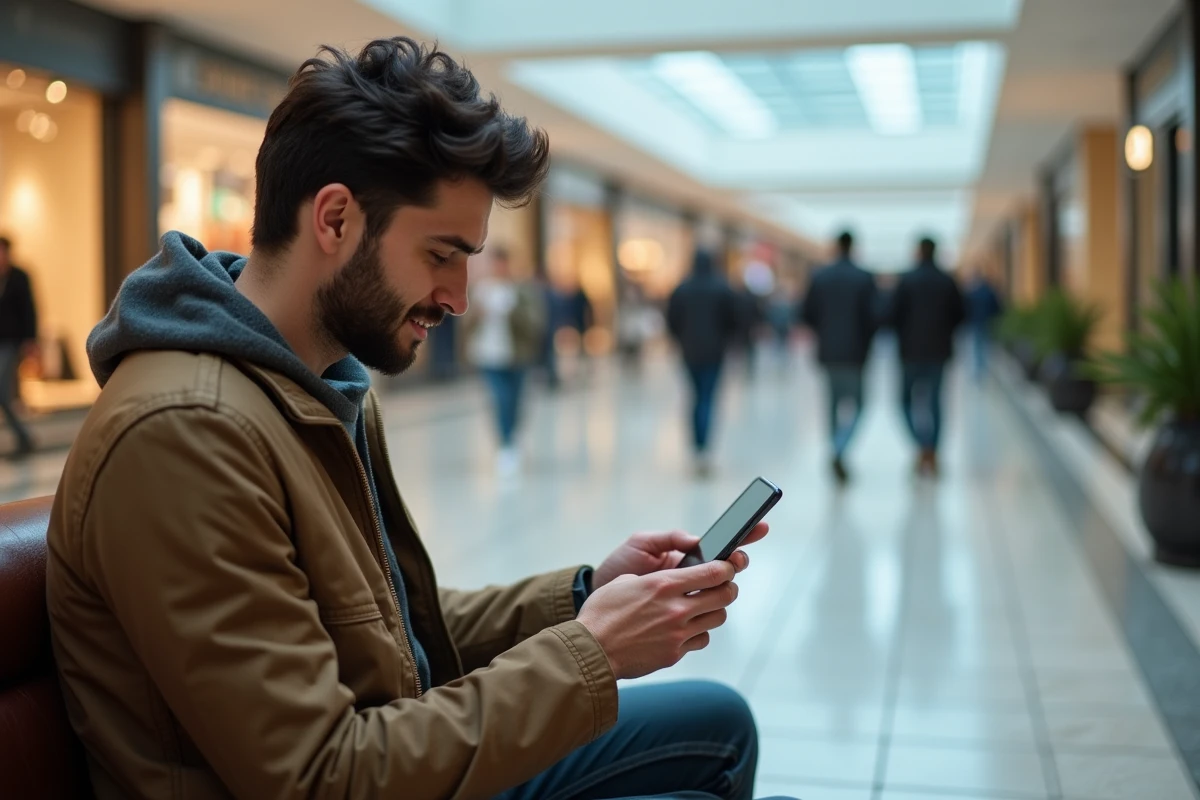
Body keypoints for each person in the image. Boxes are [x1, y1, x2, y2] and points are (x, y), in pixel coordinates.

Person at [45, 38, 793, 800]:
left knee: (718, 722)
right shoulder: (187, 433)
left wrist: (584, 597)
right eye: (441, 255)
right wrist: (592, 653)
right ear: (336, 219)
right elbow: (321, 779)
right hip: (360, 774)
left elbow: (395, 631)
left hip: (394, 749)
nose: (460, 298)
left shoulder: (312, 383)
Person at [800, 231, 878, 484]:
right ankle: (840, 447)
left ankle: (835, 446)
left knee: (832, 404)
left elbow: (807, 313)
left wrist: (824, 331)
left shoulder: (821, 277)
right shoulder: (864, 277)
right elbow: (875, 316)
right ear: (853, 247)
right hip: (856, 353)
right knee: (859, 404)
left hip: (829, 352)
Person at [465, 248, 546, 475]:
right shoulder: (480, 290)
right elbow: (466, 325)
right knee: (500, 398)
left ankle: (513, 435)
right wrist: (477, 315)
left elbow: (535, 322)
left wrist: (512, 312)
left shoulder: (521, 290)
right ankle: (506, 443)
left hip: (517, 355)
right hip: (488, 355)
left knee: (516, 400)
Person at [892, 236, 966, 477]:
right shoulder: (947, 280)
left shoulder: (906, 280)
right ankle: (931, 449)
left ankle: (922, 444)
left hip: (910, 352)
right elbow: (960, 314)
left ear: (918, 252)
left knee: (905, 402)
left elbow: (892, 314)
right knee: (935, 403)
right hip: (938, 351)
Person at [668, 250, 740, 478]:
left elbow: (672, 320)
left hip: (689, 352)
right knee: (707, 398)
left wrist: (682, 339)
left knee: (695, 397)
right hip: (714, 352)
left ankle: (697, 447)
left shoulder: (682, 289)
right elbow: (733, 320)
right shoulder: (722, 288)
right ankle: (704, 449)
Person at [0, 235, 37, 458]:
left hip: (12, 342)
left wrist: (31, 340)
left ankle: (24, 437)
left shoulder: (19, 277)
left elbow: (29, 309)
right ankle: (23, 438)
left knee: (3, 393)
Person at [965, 267, 1003, 381]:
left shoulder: (973, 292)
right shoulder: (989, 291)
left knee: (977, 347)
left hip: (976, 322)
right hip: (988, 322)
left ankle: (978, 372)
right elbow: (997, 307)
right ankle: (985, 370)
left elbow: (967, 308)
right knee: (986, 346)